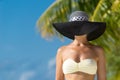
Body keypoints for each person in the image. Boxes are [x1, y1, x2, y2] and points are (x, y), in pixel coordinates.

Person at [52, 11, 106, 80]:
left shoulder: (97, 51)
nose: (79, 29)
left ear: (88, 27)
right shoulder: (62, 51)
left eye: (81, 26)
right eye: (75, 26)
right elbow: (59, 78)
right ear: (70, 28)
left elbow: (102, 78)